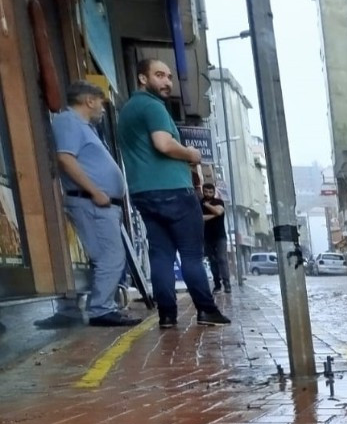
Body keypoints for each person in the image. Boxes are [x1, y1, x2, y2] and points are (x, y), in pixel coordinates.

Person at [117, 59, 229, 328]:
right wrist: (191, 154)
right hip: (174, 190)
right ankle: (206, 309)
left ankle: (167, 316)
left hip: (143, 192)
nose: (167, 81)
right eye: (159, 75)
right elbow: (163, 144)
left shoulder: (127, 110)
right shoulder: (153, 107)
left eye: (169, 76)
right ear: (143, 78)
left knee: (161, 254)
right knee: (190, 254)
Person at [51, 81, 140, 327]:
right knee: (110, 256)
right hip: (91, 201)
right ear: (89, 100)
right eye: (101, 102)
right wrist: (94, 191)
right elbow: (65, 159)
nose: (102, 108)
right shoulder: (68, 121)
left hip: (99, 203)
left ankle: (103, 307)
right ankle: (102, 310)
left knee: (109, 256)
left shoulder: (84, 127)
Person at [201, 183, 230, 292]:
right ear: (203, 191)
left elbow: (219, 211)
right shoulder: (199, 203)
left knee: (222, 259)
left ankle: (227, 283)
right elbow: (200, 218)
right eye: (206, 192)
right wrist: (214, 215)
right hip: (207, 237)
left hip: (220, 236)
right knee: (212, 261)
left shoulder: (219, 202)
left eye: (210, 192)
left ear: (214, 192)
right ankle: (217, 285)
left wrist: (207, 205)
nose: (208, 194)